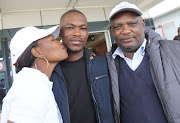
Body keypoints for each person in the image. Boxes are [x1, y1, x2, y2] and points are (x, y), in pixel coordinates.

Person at [106, 2, 180, 123]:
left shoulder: (175, 51)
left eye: (132, 24)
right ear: (111, 30)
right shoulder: (108, 66)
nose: (125, 31)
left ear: (143, 24)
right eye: (118, 26)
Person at [51, 10, 114, 123]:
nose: (77, 33)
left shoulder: (103, 64)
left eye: (82, 28)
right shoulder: (51, 71)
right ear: (60, 32)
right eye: (70, 28)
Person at [1, 25, 68, 123]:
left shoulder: (35, 81)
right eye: (53, 40)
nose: (60, 42)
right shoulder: (32, 85)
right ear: (37, 52)